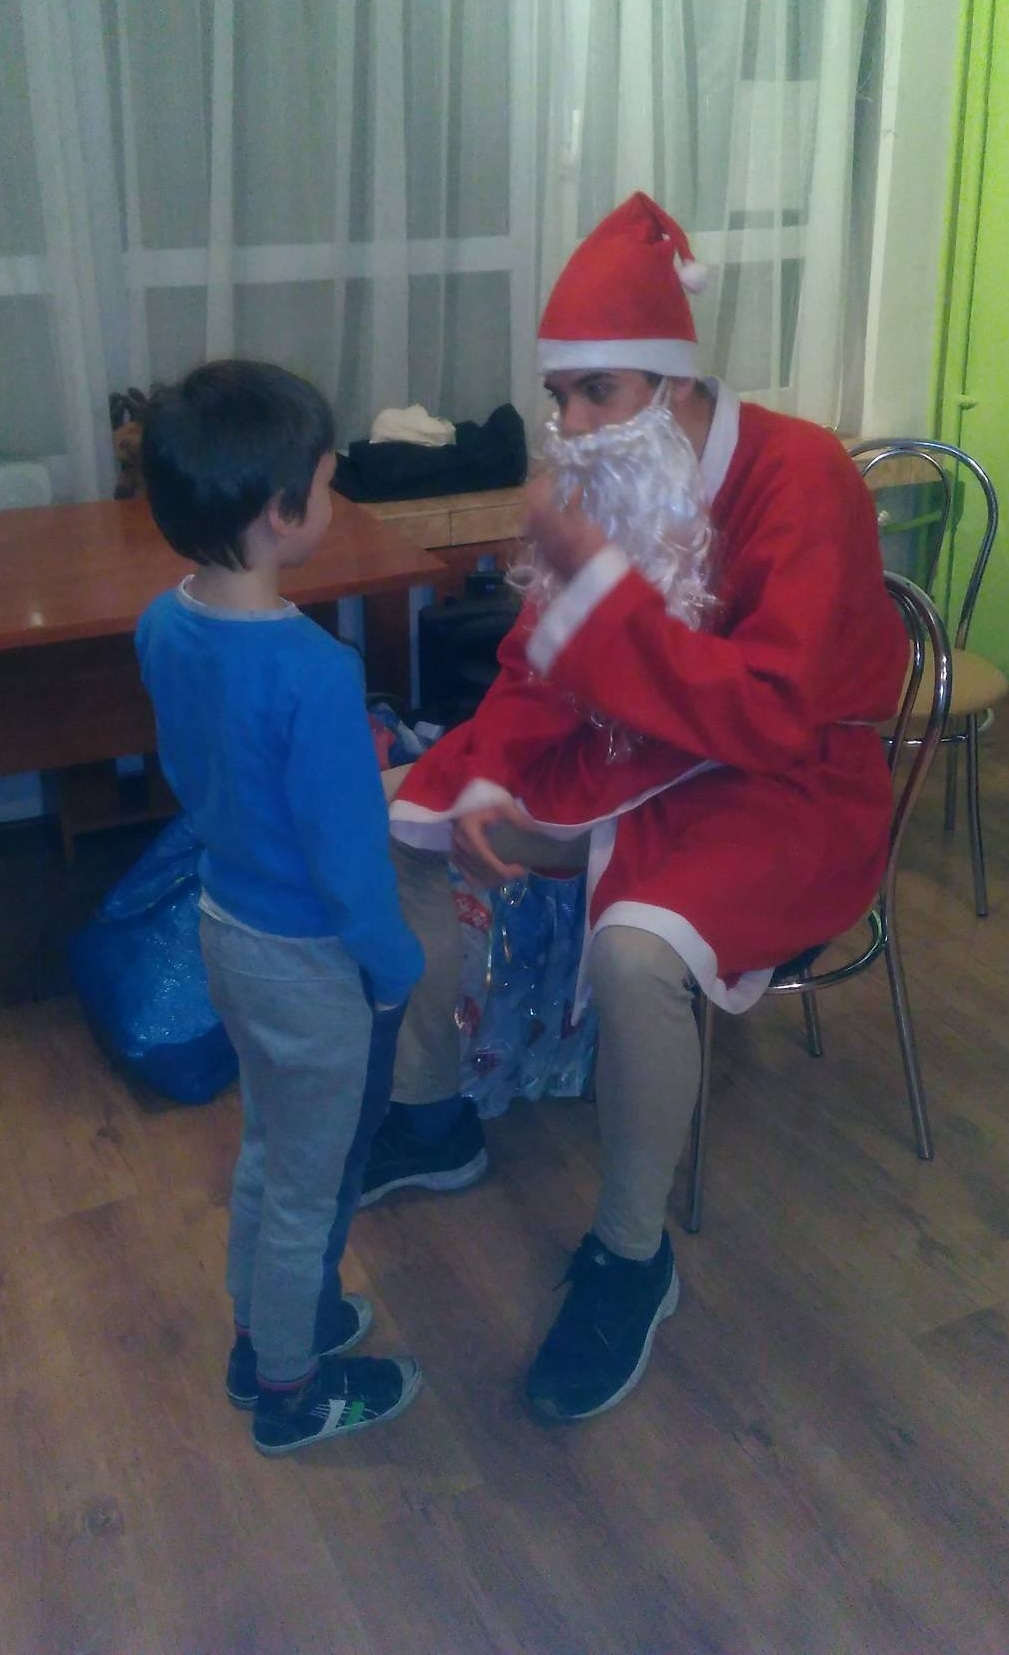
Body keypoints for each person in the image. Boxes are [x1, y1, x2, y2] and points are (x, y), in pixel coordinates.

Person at [361, 192, 910, 1422]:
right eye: (558, 396)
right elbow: (535, 663)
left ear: (670, 384)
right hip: (629, 748)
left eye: (596, 393)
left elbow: (773, 709)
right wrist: (491, 768)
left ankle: (628, 1252)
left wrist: (599, 597)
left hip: (788, 782)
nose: (569, 425)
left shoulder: (802, 475)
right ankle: (432, 1111)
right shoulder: (615, 468)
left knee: (635, 951)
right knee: (400, 816)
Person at [136, 360, 425, 1456]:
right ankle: (292, 1391)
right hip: (309, 961)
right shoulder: (312, 670)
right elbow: (350, 866)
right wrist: (394, 965)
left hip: (226, 927)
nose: (334, 498)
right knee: (310, 1182)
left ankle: (260, 1333)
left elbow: (195, 772)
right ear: (278, 512)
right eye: (329, 481)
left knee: (269, 1145)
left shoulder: (162, 625)